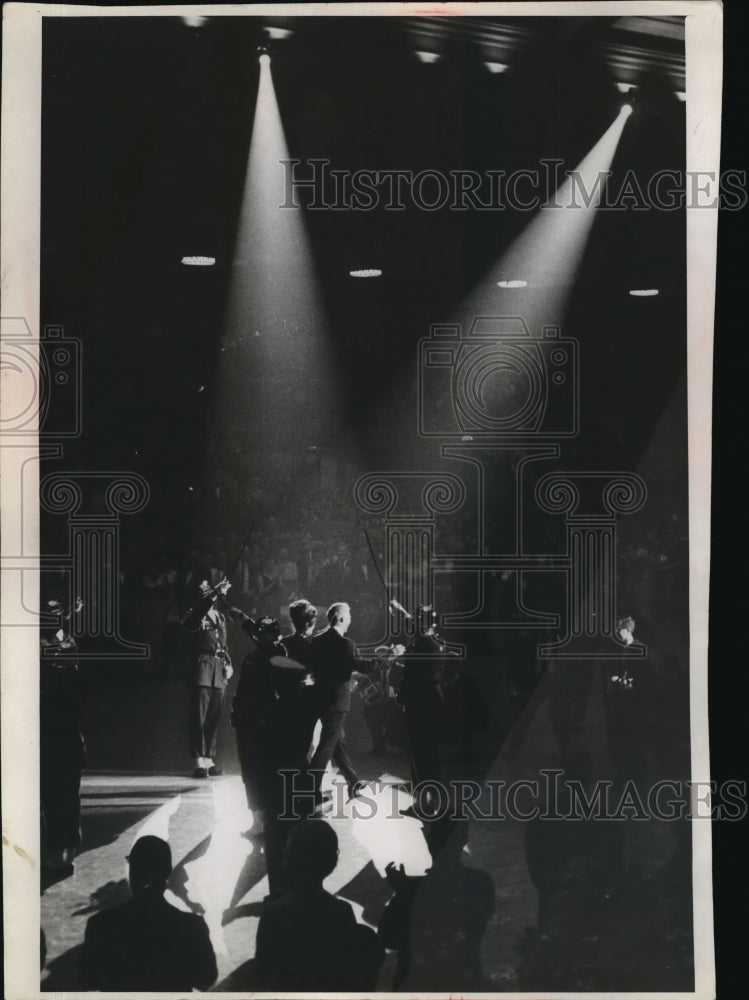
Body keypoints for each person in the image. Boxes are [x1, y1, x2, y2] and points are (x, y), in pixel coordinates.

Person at [231, 617, 317, 892]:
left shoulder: (253, 659)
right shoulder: (280, 658)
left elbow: (243, 693)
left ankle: (261, 818)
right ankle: (270, 819)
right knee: (269, 775)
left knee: (254, 773)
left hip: (252, 726)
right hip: (268, 727)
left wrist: (240, 718)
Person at [255, 819, 384, 991]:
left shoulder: (273, 912)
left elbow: (262, 971)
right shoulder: (341, 912)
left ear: (291, 856)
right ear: (332, 860)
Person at [79, 835, 217, 991]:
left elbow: (89, 980)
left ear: (132, 872)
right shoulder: (192, 926)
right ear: (167, 873)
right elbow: (206, 979)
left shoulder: (101, 925)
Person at [309, 602, 377, 800]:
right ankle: (309, 790)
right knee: (326, 748)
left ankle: (353, 782)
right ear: (339, 618)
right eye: (348, 615)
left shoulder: (318, 640)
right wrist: (388, 657)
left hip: (321, 699)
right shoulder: (346, 644)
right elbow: (363, 666)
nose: (350, 619)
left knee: (337, 743)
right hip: (337, 703)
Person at [40, 591, 85, 876]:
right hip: (54, 731)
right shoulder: (51, 645)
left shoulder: (65, 644)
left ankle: (63, 852)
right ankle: (58, 851)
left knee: (64, 795)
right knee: (57, 796)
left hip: (63, 731)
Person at [181, 574, 234, 778]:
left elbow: (223, 645)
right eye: (205, 590)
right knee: (198, 717)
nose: (209, 593)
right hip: (201, 669)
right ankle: (198, 760)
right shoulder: (194, 615)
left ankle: (210, 758)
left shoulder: (219, 617)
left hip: (217, 669)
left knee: (214, 716)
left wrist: (228, 663)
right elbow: (195, 619)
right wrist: (215, 593)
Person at [398, 605, 448, 816]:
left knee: (419, 754)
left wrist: (401, 698)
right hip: (435, 700)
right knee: (431, 752)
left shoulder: (417, 647)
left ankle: (421, 804)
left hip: (417, 702)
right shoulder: (438, 644)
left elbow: (410, 677)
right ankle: (433, 800)